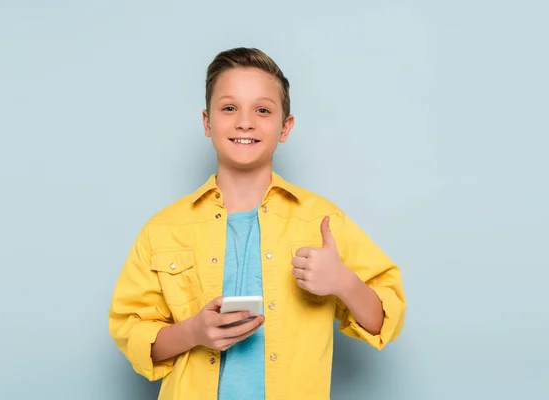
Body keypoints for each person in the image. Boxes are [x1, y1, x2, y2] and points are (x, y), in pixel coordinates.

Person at [108, 47, 406, 400]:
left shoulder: (321, 221)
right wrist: (194, 333)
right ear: (207, 122)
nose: (244, 122)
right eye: (229, 108)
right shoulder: (163, 230)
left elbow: (383, 321)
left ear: (285, 126)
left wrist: (344, 282)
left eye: (262, 110)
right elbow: (132, 333)